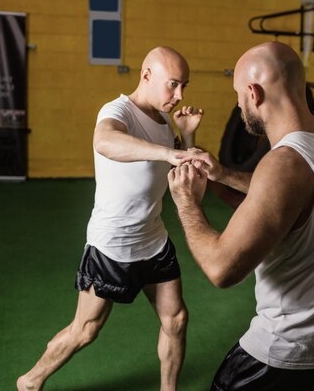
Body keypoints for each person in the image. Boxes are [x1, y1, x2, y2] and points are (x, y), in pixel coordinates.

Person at [168, 41, 314, 391]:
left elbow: (222, 269)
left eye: (238, 95)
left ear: (254, 92)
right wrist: (224, 174)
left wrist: (187, 203)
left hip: (291, 355)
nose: (238, 103)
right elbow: (296, 193)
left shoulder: (283, 164)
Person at [17, 46, 203, 391]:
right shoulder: (118, 110)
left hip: (153, 239)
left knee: (176, 319)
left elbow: (183, 170)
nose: (179, 96)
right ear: (146, 75)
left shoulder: (164, 120)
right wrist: (169, 151)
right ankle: (30, 380)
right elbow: (105, 141)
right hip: (113, 244)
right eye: (173, 85)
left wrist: (187, 136)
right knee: (85, 331)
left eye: (184, 87)